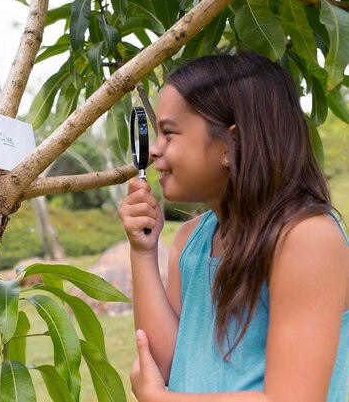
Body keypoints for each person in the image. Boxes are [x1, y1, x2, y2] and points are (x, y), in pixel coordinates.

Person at [119, 52, 349, 402]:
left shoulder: (306, 238)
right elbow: (167, 365)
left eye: (169, 132)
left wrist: (160, 400)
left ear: (231, 145)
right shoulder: (191, 240)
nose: (155, 150)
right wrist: (142, 251)